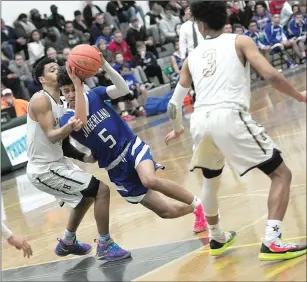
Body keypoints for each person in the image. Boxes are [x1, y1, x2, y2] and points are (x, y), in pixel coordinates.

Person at [165, 1, 307, 261]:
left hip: (200, 120)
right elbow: (272, 76)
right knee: (281, 174)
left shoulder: (191, 57)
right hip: (229, 115)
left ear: (200, 24)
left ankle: (216, 235)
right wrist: (299, 96)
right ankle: (272, 240)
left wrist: (176, 131)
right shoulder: (240, 41)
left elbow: (174, 105)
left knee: (210, 179)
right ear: (226, 17)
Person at [58, 58, 208, 234]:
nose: (70, 94)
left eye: (73, 89)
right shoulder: (65, 118)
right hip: (115, 167)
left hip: (130, 147)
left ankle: (197, 204)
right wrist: (85, 156)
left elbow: (123, 89)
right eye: (66, 91)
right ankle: (201, 211)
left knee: (149, 180)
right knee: (165, 212)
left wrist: (105, 65)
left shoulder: (95, 95)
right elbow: (80, 123)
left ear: (81, 85)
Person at [26, 56, 130, 262]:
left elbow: (63, 146)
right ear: (42, 79)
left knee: (87, 196)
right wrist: (67, 127)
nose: (58, 71)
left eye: (58, 67)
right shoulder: (40, 99)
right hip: (44, 169)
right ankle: (105, 244)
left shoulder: (62, 105)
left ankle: (67, 241)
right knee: (101, 191)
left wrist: (84, 156)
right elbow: (51, 134)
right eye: (52, 69)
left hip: (58, 163)